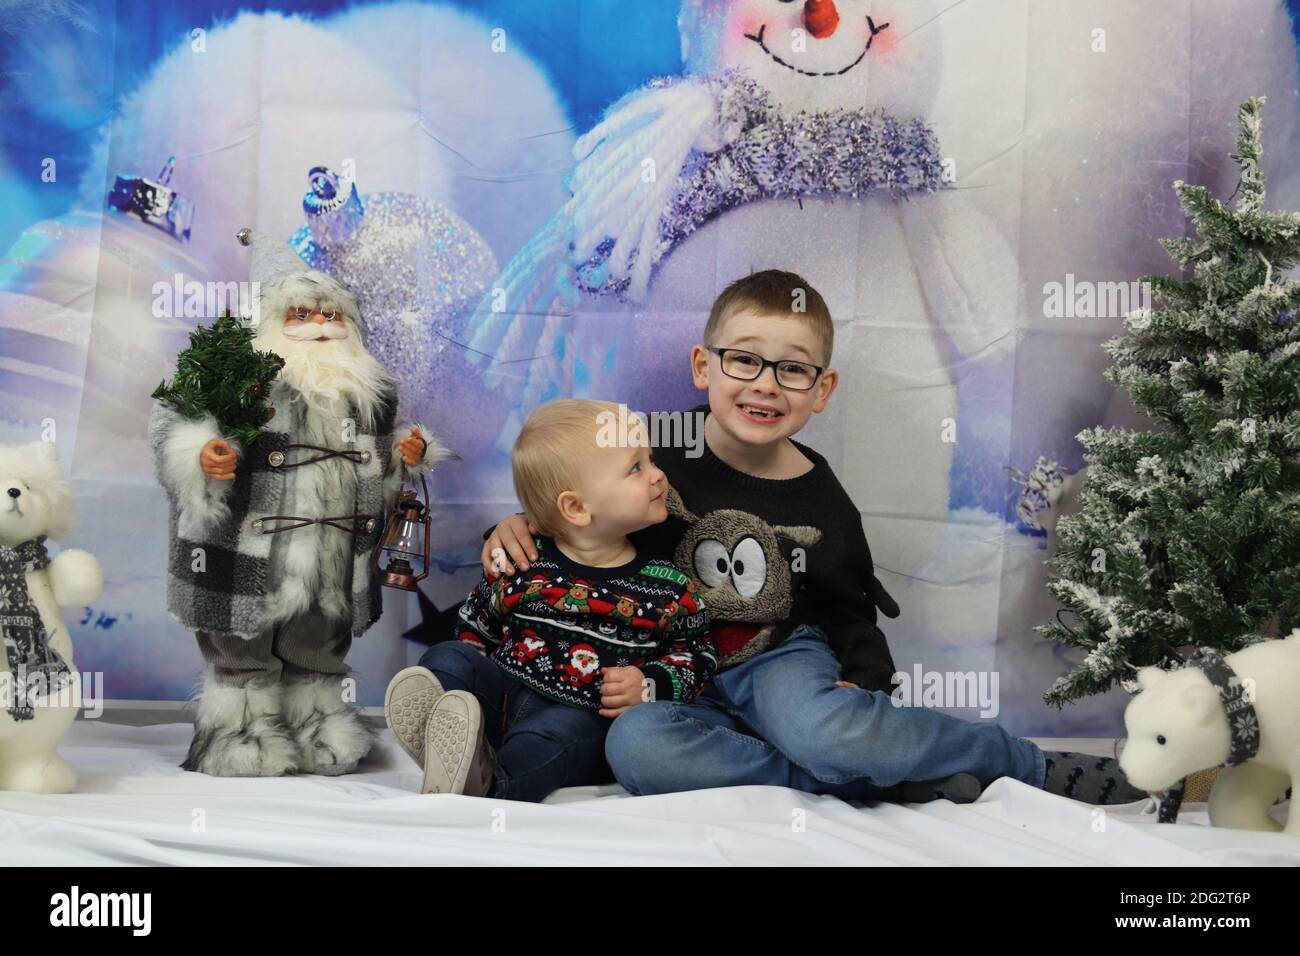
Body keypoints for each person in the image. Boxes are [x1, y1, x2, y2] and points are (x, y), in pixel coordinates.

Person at [384, 399, 714, 801]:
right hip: (499, 698)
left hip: (579, 716)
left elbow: (695, 656)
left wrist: (649, 686)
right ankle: (446, 730)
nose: (659, 476)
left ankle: (490, 782)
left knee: (553, 739)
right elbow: (476, 624)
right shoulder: (524, 559)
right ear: (576, 507)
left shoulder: (668, 587)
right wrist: (470, 673)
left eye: (651, 460)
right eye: (636, 467)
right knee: (449, 658)